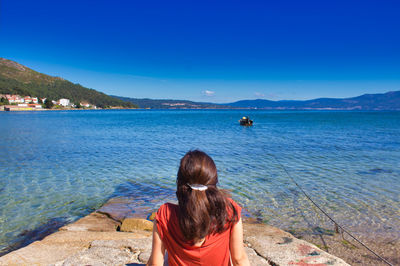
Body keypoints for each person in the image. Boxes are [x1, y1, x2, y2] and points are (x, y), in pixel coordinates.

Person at [147, 150, 250, 266]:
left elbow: (155, 263)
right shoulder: (229, 210)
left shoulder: (165, 214)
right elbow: (239, 259)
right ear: (214, 183)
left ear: (180, 183)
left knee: (166, 257)